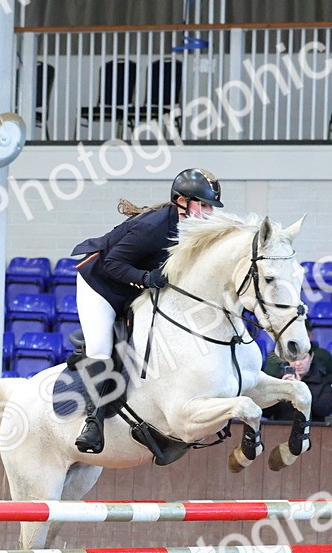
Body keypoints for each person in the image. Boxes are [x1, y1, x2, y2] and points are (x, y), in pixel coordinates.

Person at [67, 167, 224, 454]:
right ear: (181, 201)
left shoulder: (194, 230)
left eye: (210, 206)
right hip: (100, 283)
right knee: (102, 348)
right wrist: (146, 279)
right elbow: (113, 263)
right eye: (201, 204)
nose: (207, 212)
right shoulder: (152, 227)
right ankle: (93, 422)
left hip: (135, 285)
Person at [262, 324, 332, 422]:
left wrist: (301, 389)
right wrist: (279, 393)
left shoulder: (323, 381)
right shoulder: (278, 380)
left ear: (311, 357)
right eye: (294, 358)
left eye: (303, 358)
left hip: (313, 430)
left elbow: (324, 410)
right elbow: (265, 412)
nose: (298, 363)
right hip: (281, 430)